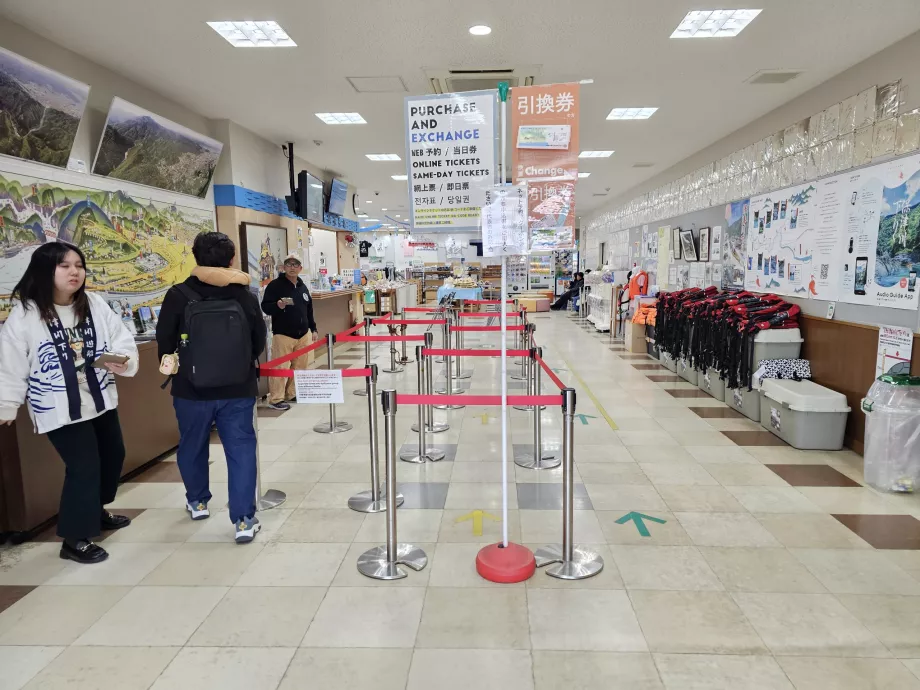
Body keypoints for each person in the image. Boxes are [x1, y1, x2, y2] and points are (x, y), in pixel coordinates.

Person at [0, 242, 138, 564]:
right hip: (58, 407)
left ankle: (95, 509)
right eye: (64, 266)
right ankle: (74, 538)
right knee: (84, 467)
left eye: (78, 264)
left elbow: (121, 338)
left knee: (113, 455)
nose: (74, 271)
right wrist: (7, 405)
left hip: (99, 398)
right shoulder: (26, 314)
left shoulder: (93, 303)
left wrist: (125, 360)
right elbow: (10, 364)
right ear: (45, 271)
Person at [156, 232, 267, 543]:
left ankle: (198, 501)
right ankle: (244, 520)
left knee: (192, 445)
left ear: (195, 257)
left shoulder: (178, 294)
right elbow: (258, 342)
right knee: (242, 450)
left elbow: (165, 342)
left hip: (191, 390)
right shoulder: (244, 295)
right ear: (231, 260)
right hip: (238, 388)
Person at [260, 253, 317, 411]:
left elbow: (309, 310)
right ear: (283, 267)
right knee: (280, 367)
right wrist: (277, 305)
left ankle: (291, 393)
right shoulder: (275, 285)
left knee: (299, 366)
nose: (292, 267)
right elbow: (265, 306)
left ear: (300, 268)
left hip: (303, 334)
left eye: (295, 264)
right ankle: (276, 398)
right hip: (283, 334)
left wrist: (313, 328)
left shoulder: (302, 287)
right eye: (289, 264)